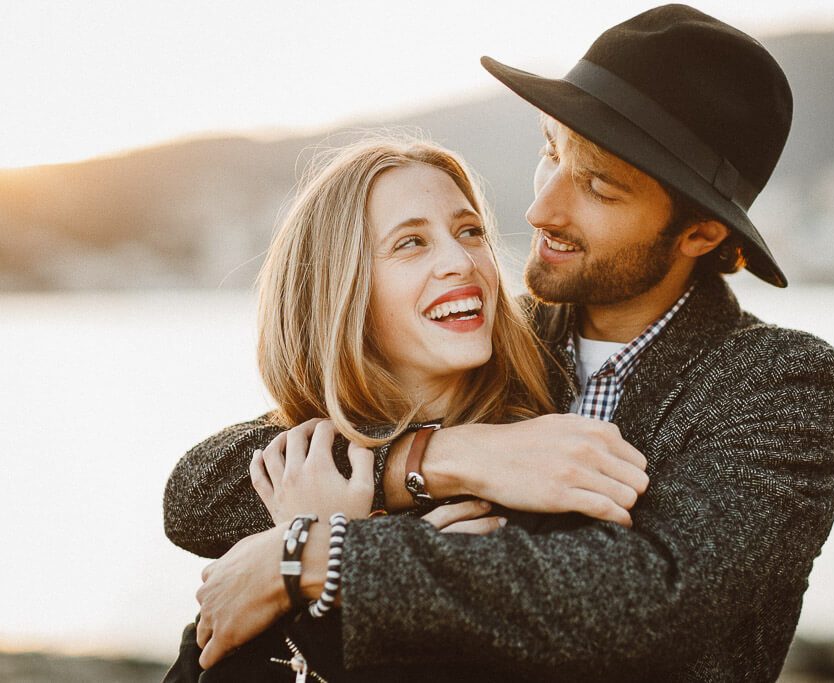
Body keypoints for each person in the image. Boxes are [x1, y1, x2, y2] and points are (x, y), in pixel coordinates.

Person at [165, 5, 834, 681]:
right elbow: (201, 494)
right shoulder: (489, 332)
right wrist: (442, 458)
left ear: (700, 233)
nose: (540, 209)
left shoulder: (785, 383)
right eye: (550, 151)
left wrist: (311, 558)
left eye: (597, 186)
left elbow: (652, 601)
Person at [162, 134, 649, 681]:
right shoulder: (304, 463)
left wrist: (325, 565)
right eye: (411, 243)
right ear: (340, 290)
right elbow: (189, 501)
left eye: (470, 232)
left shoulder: (538, 476)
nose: (460, 262)